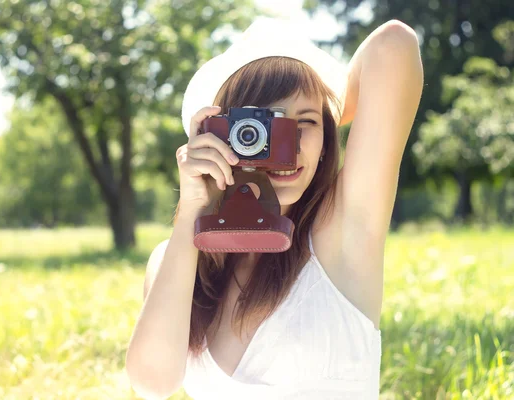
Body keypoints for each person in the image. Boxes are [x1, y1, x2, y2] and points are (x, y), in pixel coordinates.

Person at [126, 17, 423, 400]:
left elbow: (394, 44)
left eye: (307, 123)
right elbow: (152, 384)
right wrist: (190, 214)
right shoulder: (176, 258)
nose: (290, 143)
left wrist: (327, 99)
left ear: (326, 137)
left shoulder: (340, 231)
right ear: (221, 132)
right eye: (264, 125)